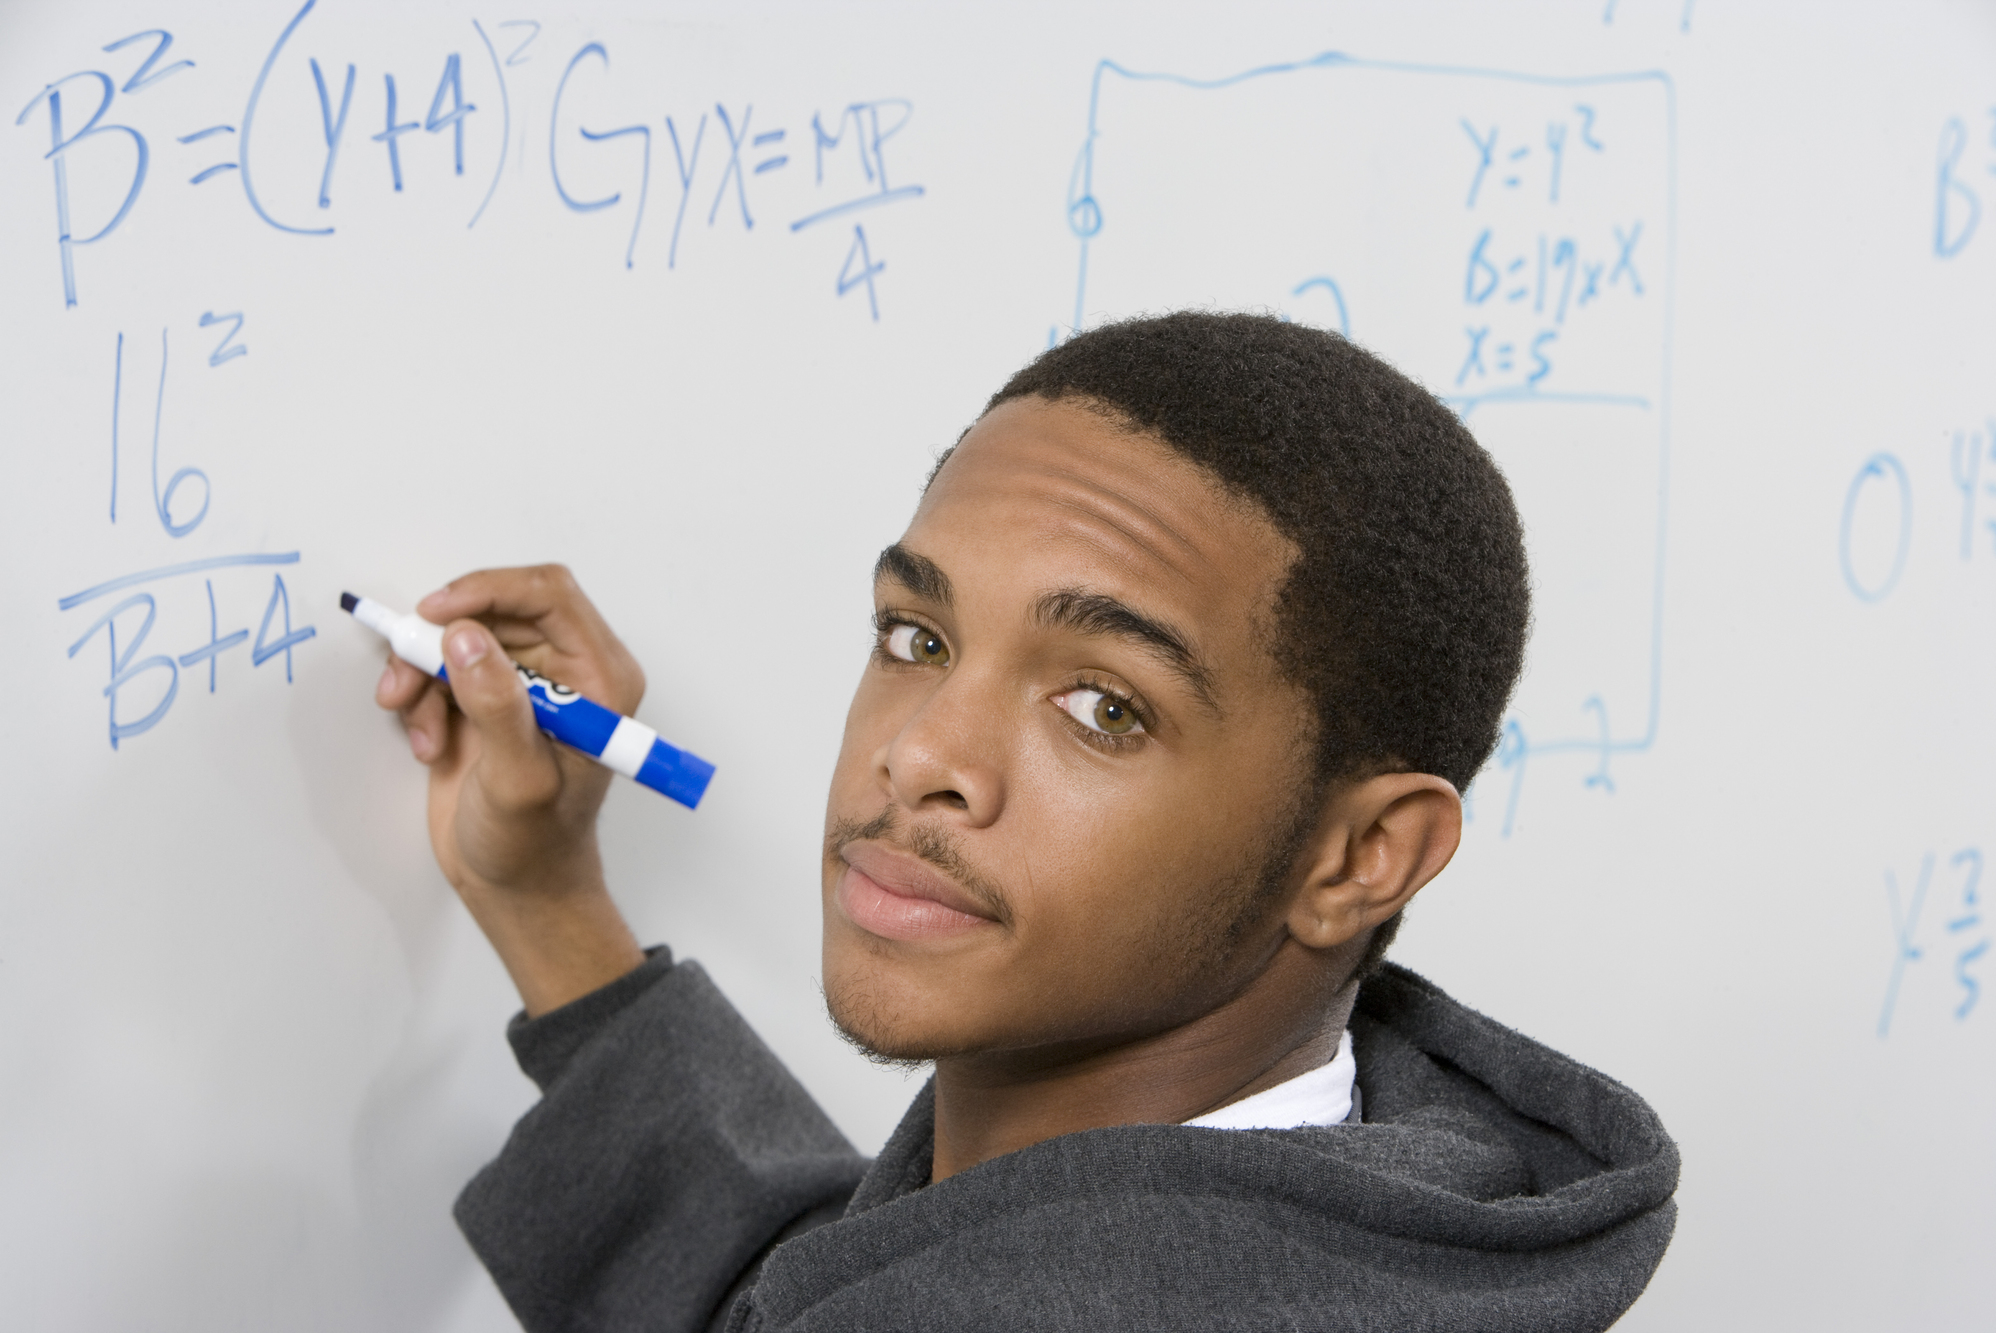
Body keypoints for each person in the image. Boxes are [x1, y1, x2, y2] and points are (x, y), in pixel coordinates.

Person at [374, 312, 1677, 1332]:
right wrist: (546, 899)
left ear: (1357, 856)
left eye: (1106, 706)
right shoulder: (1347, 1208)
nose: (922, 751)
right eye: (915, 634)